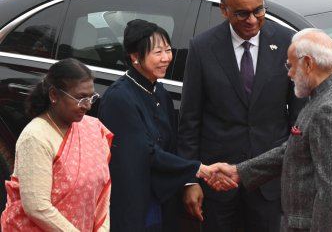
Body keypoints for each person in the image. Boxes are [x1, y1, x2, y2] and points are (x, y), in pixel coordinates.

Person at [204, 28, 332, 231]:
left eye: (290, 65)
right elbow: (297, 147)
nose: (288, 74)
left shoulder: (329, 110)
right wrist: (240, 172)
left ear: (307, 63)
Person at [177, 0, 306, 231]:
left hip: (269, 182)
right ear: (224, 11)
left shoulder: (287, 42)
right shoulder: (203, 48)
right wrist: (190, 180)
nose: (252, 20)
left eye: (258, 10)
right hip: (218, 182)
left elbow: (299, 117)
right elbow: (189, 119)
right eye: (242, 13)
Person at [97, 19, 231, 232]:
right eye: (157, 53)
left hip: (161, 194)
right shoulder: (119, 98)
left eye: (168, 50)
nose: (166, 58)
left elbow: (171, 143)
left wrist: (189, 178)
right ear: (135, 57)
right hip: (134, 196)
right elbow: (144, 152)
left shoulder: (160, 92)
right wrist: (199, 169)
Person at [1, 58, 113, 231]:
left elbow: (102, 191)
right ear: (54, 95)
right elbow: (37, 206)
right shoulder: (36, 137)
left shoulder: (93, 128)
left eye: (92, 97)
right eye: (80, 98)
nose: (88, 105)